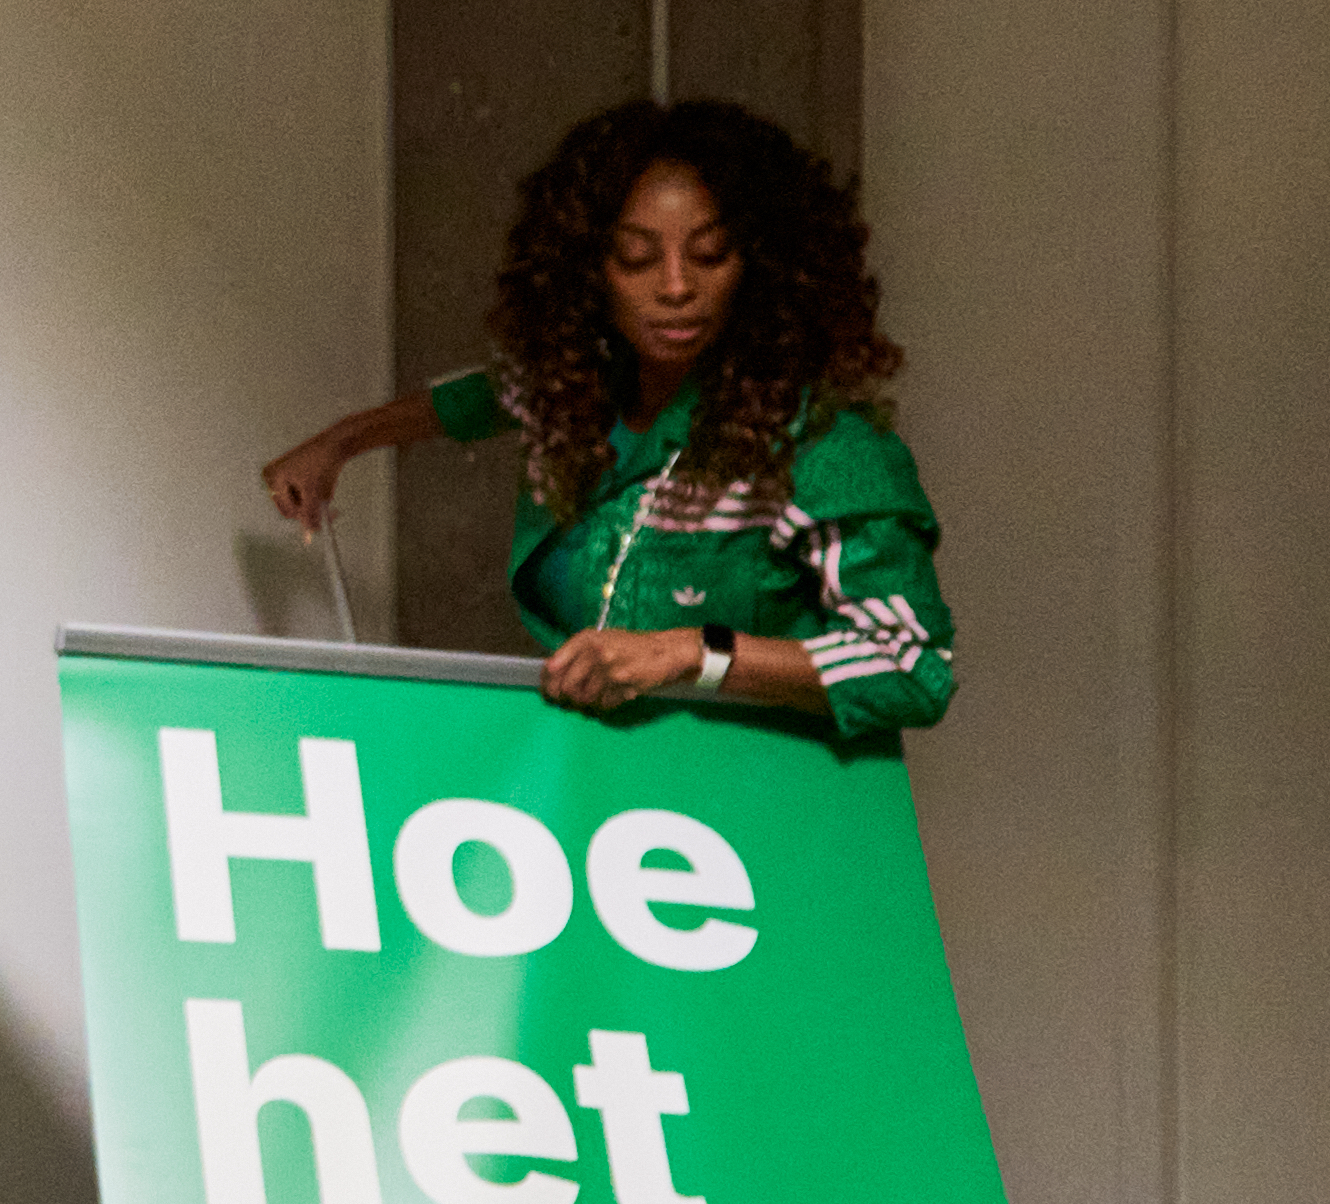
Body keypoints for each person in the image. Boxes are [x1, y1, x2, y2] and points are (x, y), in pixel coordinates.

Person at [263, 93, 952, 736]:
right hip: (606, 794)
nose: (676, 286)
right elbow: (474, 400)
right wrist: (338, 444)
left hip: (764, 797)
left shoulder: (827, 445)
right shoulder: (577, 394)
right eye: (636, 258)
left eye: (710, 255)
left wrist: (694, 653)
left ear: (762, 266)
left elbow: (911, 665)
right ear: (589, 270)